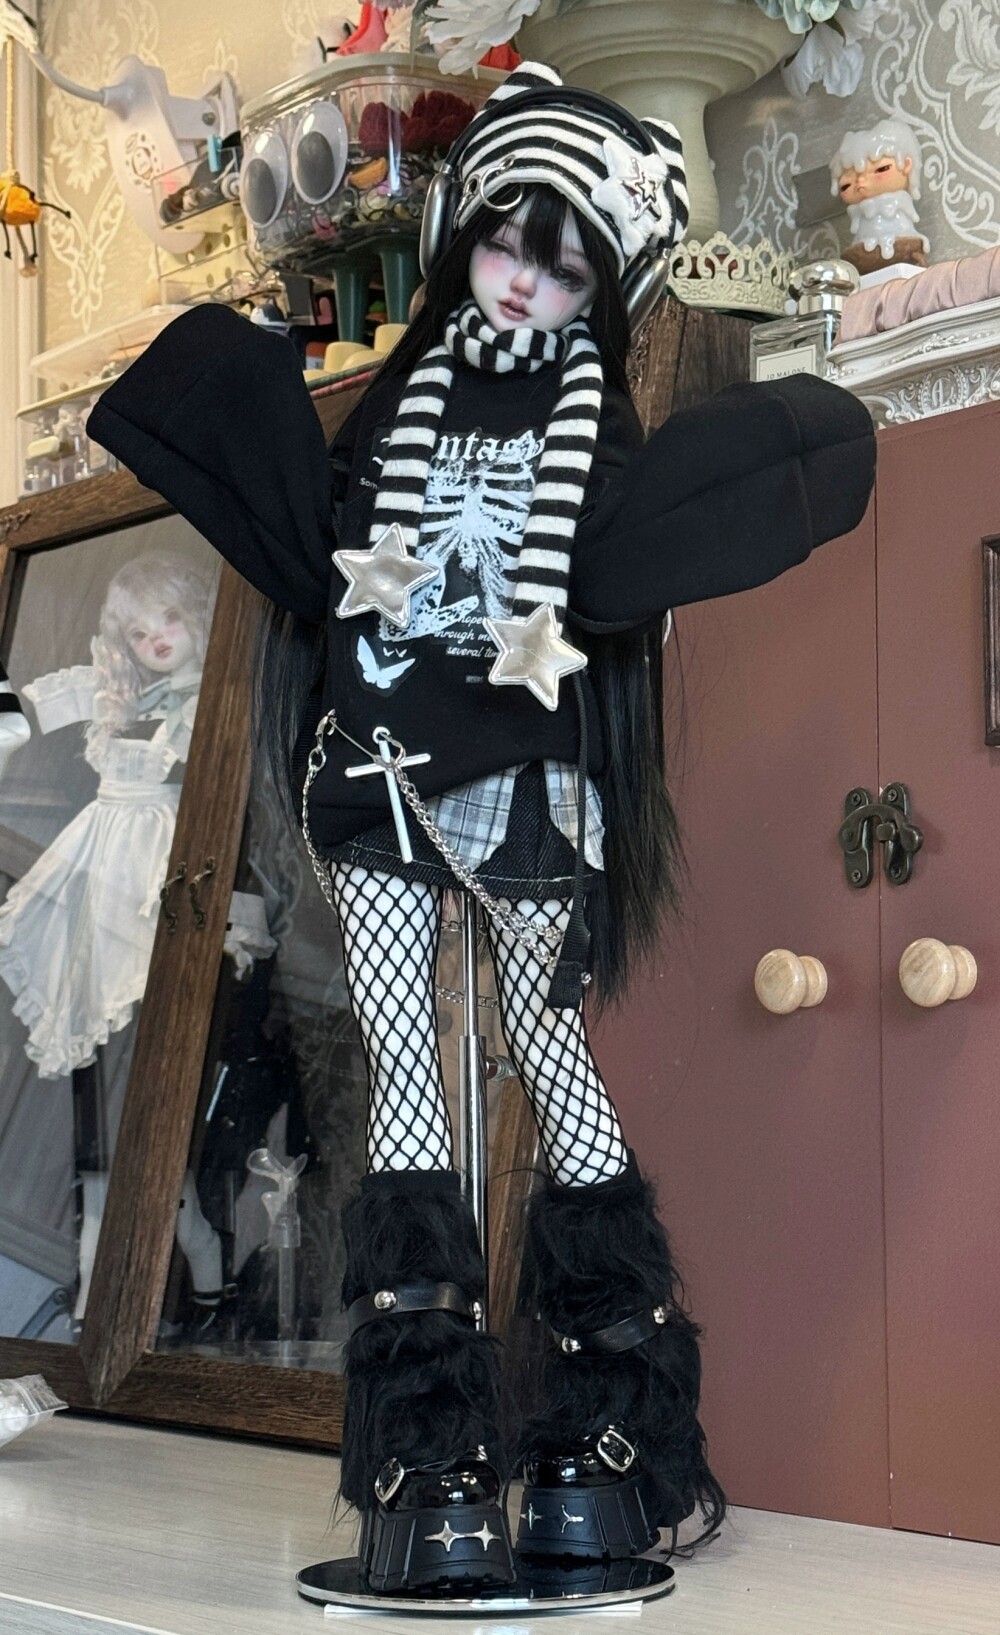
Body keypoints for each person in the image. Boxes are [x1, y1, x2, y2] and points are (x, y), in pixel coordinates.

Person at [89, 61, 876, 1597]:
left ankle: (544, 1453)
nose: (521, 280)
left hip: (501, 779)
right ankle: (465, 1460)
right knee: (431, 1061)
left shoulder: (581, 431)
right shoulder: (426, 409)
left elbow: (603, 563)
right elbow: (331, 550)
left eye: (558, 260)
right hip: (386, 768)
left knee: (532, 1049)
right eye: (505, 244)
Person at [0, 551, 214, 1078]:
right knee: (80, 973)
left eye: (169, 617)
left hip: (154, 855)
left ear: (195, 612)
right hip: (96, 850)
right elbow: (25, 720)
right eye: (138, 634)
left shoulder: (212, 700)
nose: (156, 639)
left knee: (145, 982)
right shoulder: (122, 697)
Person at [832, 119, 929, 275]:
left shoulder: (899, 205)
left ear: (906, 165)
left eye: (881, 169)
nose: (861, 183)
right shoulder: (858, 215)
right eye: (846, 185)